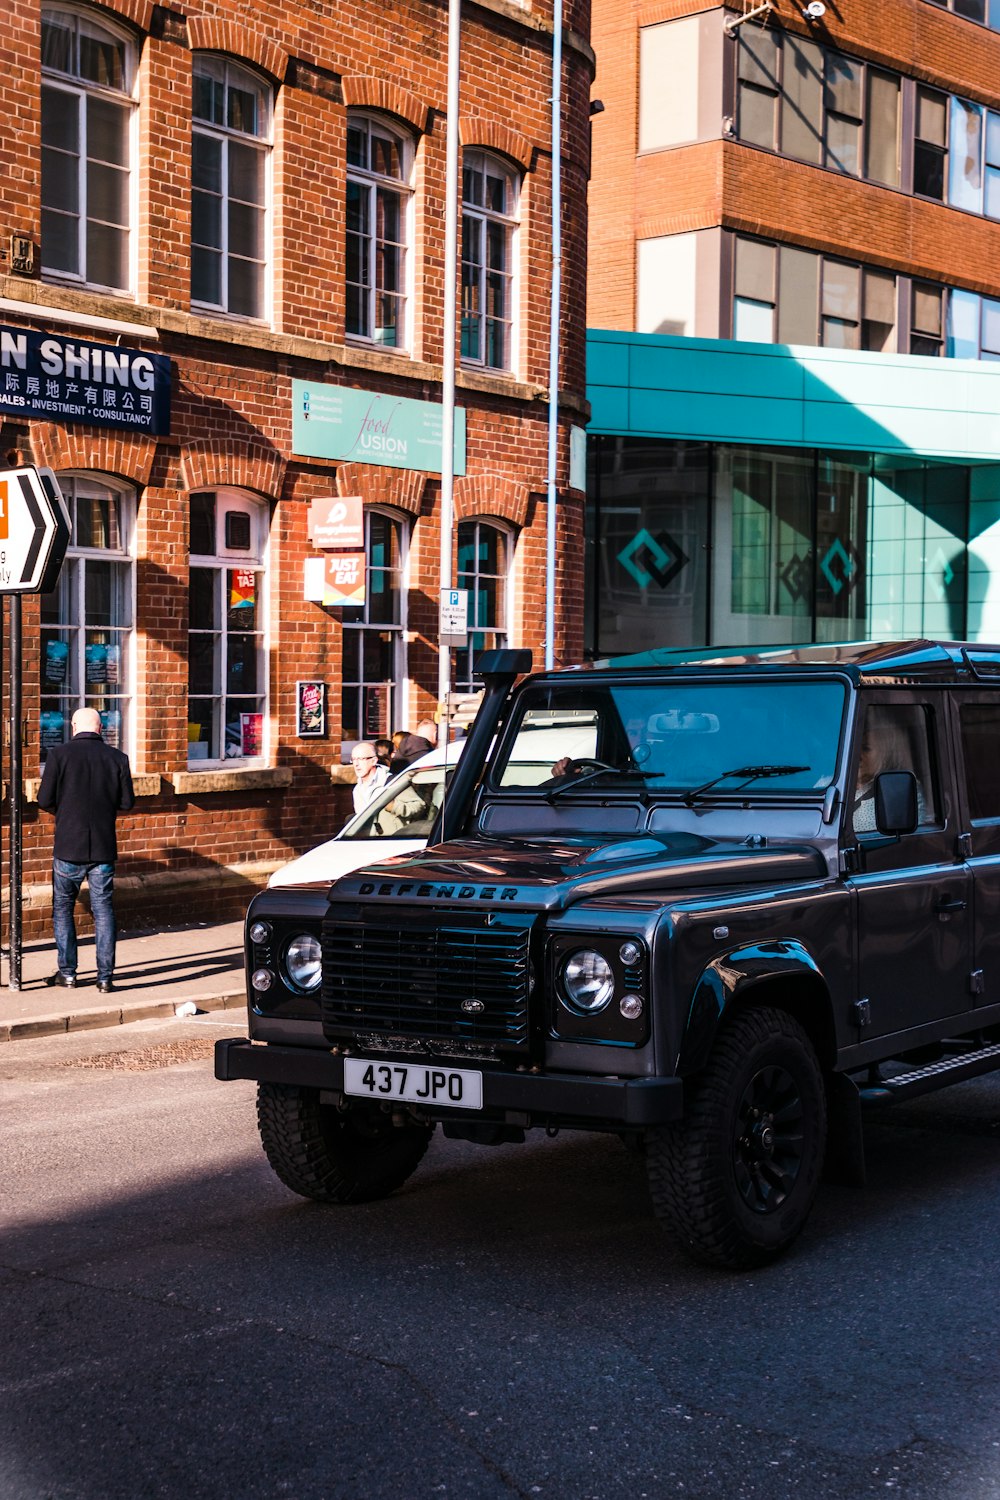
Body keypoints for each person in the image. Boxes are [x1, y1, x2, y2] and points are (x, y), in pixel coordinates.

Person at [36, 706, 135, 992]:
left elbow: (44, 800)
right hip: (103, 847)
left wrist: (64, 812)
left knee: (63, 908)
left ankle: (68, 973)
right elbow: (127, 802)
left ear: (74, 726)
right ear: (100, 728)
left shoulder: (59, 755)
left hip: (68, 845)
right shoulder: (117, 758)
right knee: (103, 910)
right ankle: (105, 978)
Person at [350, 741, 390, 815]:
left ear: (374, 761)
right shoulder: (357, 789)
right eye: (354, 759)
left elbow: (415, 807)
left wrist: (392, 806)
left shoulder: (390, 781)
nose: (356, 764)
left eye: (361, 759)